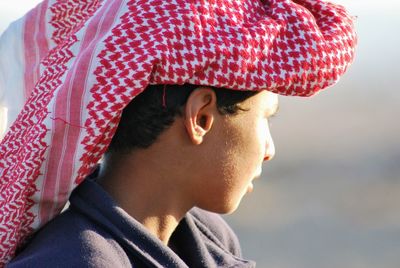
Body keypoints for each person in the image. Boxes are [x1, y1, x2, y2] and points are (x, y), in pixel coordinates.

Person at [0, 0, 357, 267]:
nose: (268, 149)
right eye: (265, 119)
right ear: (201, 117)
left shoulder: (209, 239)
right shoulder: (75, 261)